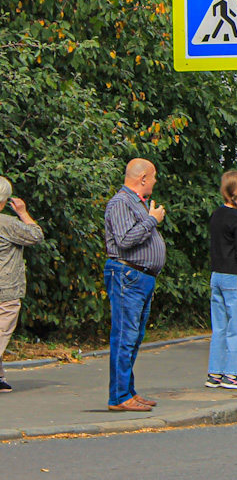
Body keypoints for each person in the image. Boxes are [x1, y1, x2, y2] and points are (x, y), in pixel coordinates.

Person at [103, 158, 166, 412]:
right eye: (152, 177)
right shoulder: (120, 202)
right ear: (142, 179)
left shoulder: (135, 203)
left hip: (140, 278)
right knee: (124, 337)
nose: (154, 181)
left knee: (134, 337)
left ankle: (127, 390)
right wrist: (152, 220)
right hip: (126, 276)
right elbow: (125, 240)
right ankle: (118, 396)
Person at [206, 170, 237, 391]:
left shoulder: (216, 214)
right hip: (234, 277)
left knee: (220, 327)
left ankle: (215, 372)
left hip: (216, 275)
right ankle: (232, 374)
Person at [0, 176, 44, 393]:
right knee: (2, 330)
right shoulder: (7, 223)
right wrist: (23, 213)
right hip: (5, 287)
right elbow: (36, 235)